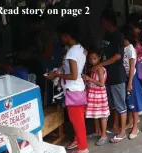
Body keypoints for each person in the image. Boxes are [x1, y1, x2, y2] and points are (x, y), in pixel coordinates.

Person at [47, 20, 88, 153]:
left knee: (77, 121)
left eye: (61, 36)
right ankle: (80, 143)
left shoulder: (71, 53)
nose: (61, 39)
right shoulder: (82, 49)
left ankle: (83, 149)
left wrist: (56, 76)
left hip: (73, 90)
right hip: (80, 89)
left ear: (66, 36)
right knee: (79, 120)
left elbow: (73, 75)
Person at [98, 9, 127, 143]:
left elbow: (117, 56)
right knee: (113, 104)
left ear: (109, 21)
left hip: (117, 75)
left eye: (103, 21)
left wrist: (100, 64)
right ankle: (115, 126)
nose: (101, 24)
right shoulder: (106, 34)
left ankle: (122, 131)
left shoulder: (118, 36)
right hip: (107, 75)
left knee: (120, 104)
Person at [83, 49, 109, 146]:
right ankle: (97, 131)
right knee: (95, 114)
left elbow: (102, 83)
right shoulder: (94, 68)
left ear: (99, 58)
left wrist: (89, 79)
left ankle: (103, 135)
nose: (92, 61)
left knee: (102, 115)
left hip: (99, 94)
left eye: (94, 58)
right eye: (90, 59)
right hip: (94, 94)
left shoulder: (99, 69)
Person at [120, 25, 142, 139]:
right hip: (126, 78)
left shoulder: (131, 49)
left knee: (134, 104)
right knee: (129, 103)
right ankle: (130, 123)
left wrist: (129, 83)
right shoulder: (123, 48)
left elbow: (132, 67)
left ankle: (135, 127)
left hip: (131, 79)